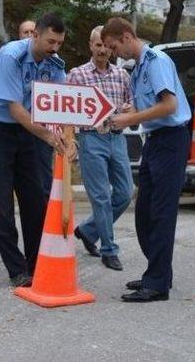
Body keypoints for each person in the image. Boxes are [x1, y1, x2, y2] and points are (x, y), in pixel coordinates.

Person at [0, 13, 75, 287]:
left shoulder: (55, 64)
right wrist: (48, 136)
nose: (55, 48)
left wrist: (68, 137)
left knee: (34, 199)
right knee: (2, 201)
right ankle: (17, 269)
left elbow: (62, 103)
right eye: (50, 41)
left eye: (60, 43)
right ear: (35, 35)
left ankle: (36, 263)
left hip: (28, 128)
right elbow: (14, 108)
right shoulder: (11, 56)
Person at [101, 17, 191, 302]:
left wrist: (130, 118)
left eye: (114, 47)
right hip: (154, 141)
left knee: (162, 214)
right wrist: (132, 107)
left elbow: (169, 105)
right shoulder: (139, 68)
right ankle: (159, 272)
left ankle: (157, 284)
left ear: (127, 36)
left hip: (171, 140)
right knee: (144, 214)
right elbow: (151, 104)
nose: (114, 53)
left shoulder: (156, 61)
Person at [67, 25, 134, 271]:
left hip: (117, 138)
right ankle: (108, 249)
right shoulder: (77, 74)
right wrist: (71, 138)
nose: (103, 50)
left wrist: (130, 108)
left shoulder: (122, 75)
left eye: (106, 46)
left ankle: (87, 230)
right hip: (91, 138)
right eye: (98, 45)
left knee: (126, 193)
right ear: (90, 45)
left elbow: (132, 101)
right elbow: (67, 108)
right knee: (101, 196)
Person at [17, 19, 55, 198]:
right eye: (26, 32)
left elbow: (61, 94)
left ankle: (45, 209)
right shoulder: (13, 57)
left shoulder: (53, 62)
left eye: (32, 31)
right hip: (18, 125)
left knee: (43, 175)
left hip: (41, 128)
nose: (30, 35)